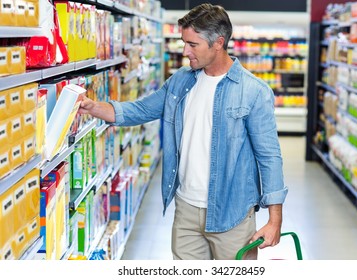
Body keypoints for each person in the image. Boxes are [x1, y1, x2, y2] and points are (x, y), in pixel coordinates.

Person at [78, 3, 288, 260]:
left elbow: (269, 157)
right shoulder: (181, 81)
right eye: (183, 43)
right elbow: (141, 110)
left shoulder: (253, 91)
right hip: (186, 208)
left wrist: (274, 220)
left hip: (232, 212)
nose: (185, 51)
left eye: (192, 44)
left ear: (218, 43)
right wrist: (93, 107)